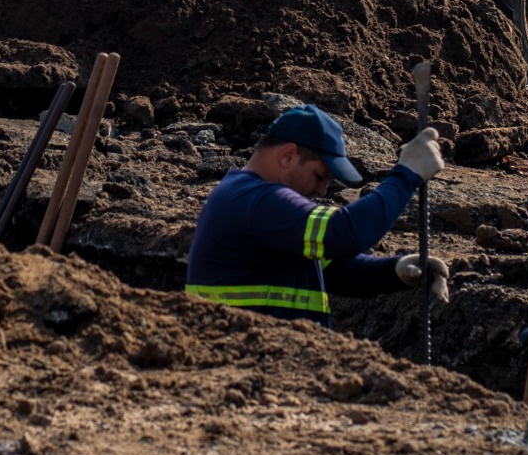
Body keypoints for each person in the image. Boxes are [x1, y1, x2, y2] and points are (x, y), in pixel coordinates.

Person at [184, 105, 449, 325]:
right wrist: (405, 175)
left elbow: (337, 271)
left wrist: (394, 271)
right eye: (319, 176)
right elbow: (342, 233)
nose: (322, 189)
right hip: (249, 370)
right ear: (288, 155)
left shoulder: (245, 200)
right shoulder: (256, 199)